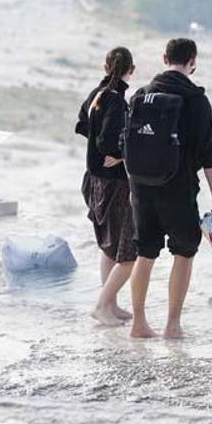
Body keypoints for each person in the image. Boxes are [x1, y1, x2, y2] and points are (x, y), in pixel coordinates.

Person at [128, 38, 212, 340]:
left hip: (141, 186)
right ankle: (172, 324)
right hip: (179, 188)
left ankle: (139, 323)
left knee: (145, 253)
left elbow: (128, 144)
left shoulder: (140, 95)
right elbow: (209, 153)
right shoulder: (195, 100)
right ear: (192, 61)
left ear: (164, 58)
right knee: (184, 251)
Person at [75, 46, 137, 327]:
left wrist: (96, 149)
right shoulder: (116, 100)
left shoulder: (96, 95)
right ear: (131, 71)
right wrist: (119, 154)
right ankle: (102, 305)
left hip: (93, 179)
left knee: (108, 244)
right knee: (126, 248)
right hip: (113, 183)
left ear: (105, 66)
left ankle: (110, 303)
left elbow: (82, 126)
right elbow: (109, 139)